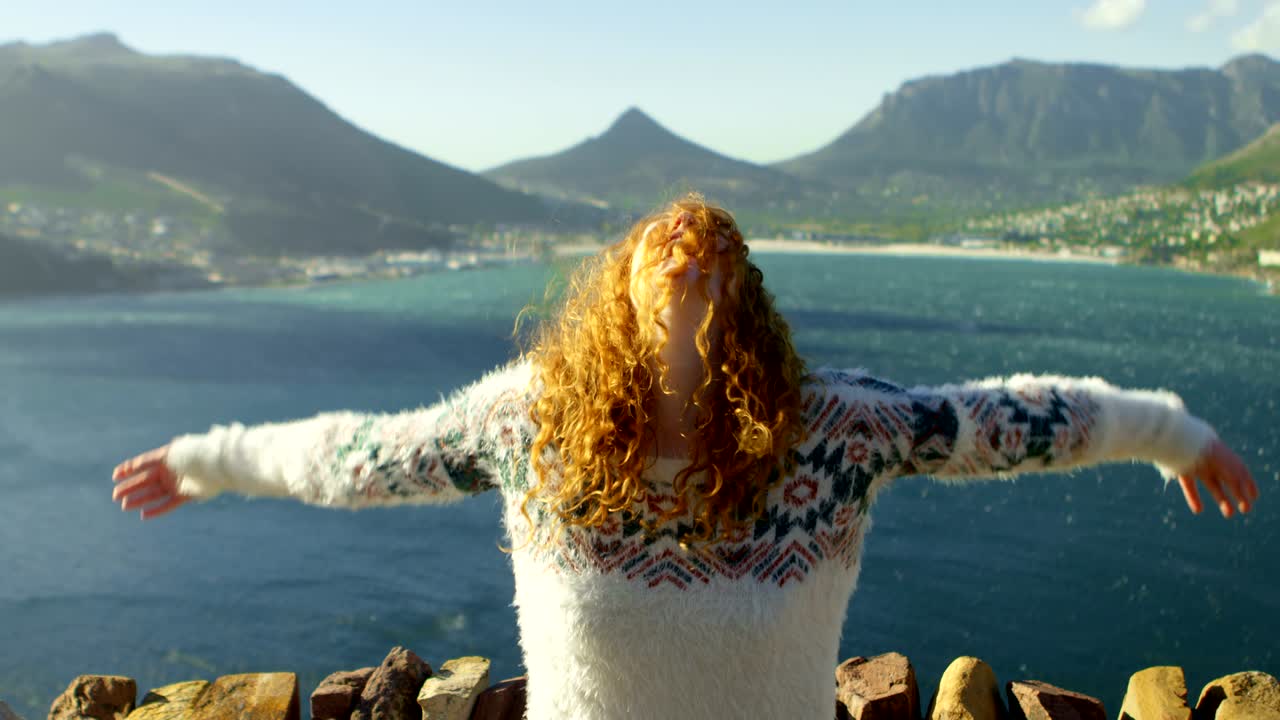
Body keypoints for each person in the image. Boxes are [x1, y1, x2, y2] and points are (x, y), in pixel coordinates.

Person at [112, 195, 1258, 720]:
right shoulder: (530, 426)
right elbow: (359, 456)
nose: (682, 259)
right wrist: (211, 458)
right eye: (662, 253)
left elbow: (1009, 418)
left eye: (708, 259)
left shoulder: (833, 431)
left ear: (743, 300)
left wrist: (1169, 434)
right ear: (612, 299)